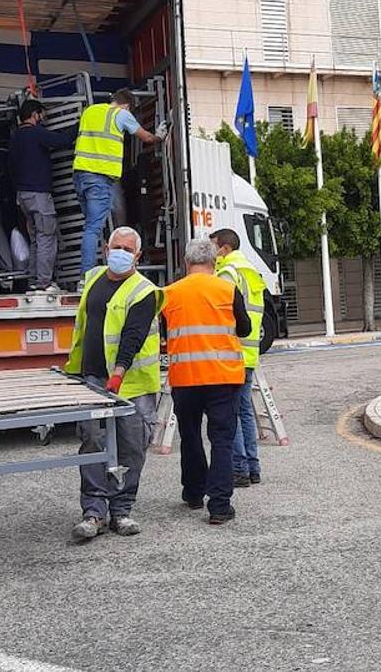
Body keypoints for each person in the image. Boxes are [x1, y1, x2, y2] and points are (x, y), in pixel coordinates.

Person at [63, 226, 162, 540]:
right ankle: (94, 512)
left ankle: (122, 510)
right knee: (92, 444)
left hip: (131, 383)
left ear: (137, 255)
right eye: (115, 246)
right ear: (106, 248)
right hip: (92, 377)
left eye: (127, 249)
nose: (119, 252)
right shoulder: (94, 279)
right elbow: (84, 327)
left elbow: (132, 336)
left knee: (132, 447)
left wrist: (118, 372)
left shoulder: (143, 290)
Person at [161, 238, 251, 525]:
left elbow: (165, 331)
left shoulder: (170, 293)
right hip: (223, 377)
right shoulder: (227, 289)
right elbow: (245, 328)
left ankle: (193, 492)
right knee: (222, 440)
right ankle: (220, 506)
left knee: (190, 436)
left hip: (185, 378)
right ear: (214, 263)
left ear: (186, 263)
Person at [73, 88, 168, 277]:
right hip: (100, 178)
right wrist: (159, 136)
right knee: (93, 228)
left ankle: (90, 271)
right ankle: (86, 276)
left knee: (91, 227)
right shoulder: (122, 114)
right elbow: (146, 137)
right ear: (127, 105)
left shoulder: (90, 111)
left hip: (80, 175)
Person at [211, 228, 266, 488]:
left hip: (232, 351)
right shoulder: (250, 270)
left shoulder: (227, 273)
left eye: (213, 247)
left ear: (224, 248)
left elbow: (221, 314)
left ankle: (239, 469)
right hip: (250, 351)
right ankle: (253, 467)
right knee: (244, 411)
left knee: (230, 413)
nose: (212, 252)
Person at [9, 99, 76, 292]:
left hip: (23, 197)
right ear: (34, 114)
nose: (43, 120)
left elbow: (10, 168)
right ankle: (43, 283)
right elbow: (61, 141)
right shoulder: (35, 133)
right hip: (39, 194)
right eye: (42, 116)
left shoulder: (15, 137)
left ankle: (33, 280)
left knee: (36, 239)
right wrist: (80, 124)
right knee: (47, 236)